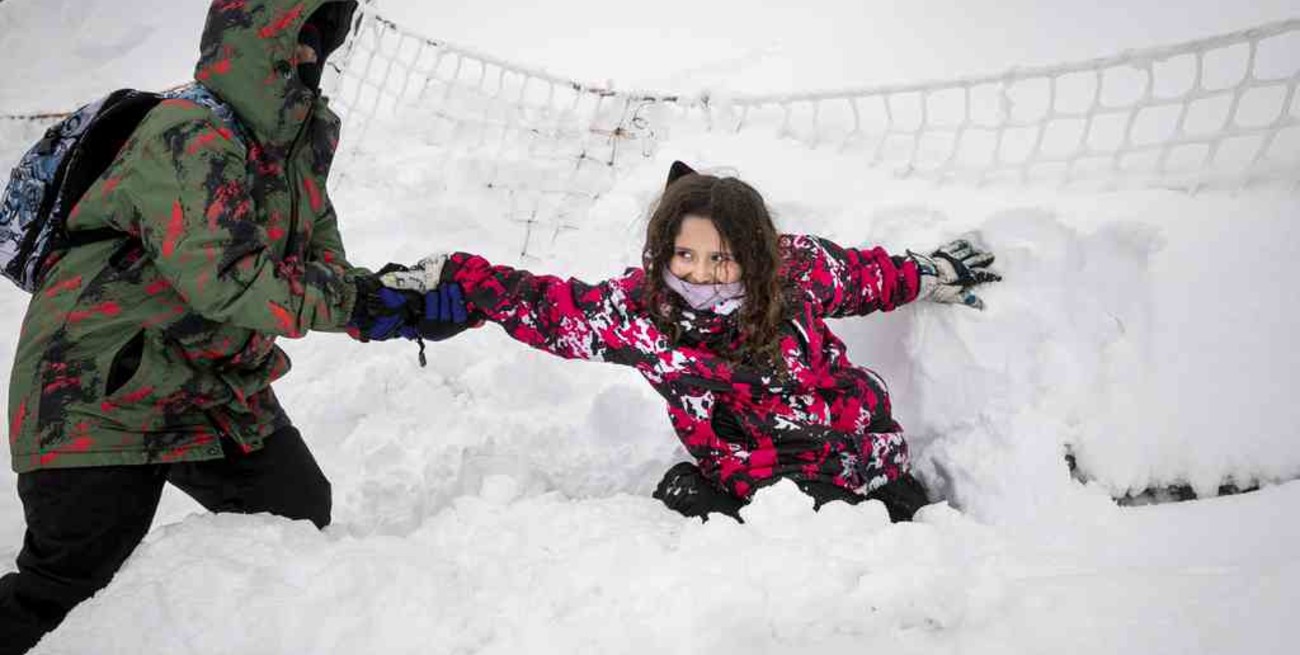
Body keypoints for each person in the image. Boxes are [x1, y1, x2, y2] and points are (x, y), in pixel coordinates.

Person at [0, 1, 466, 652]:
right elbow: (227, 277)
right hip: (99, 386)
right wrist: (355, 302)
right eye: (294, 38)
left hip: (213, 385)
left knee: (295, 512)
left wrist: (395, 302)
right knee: (64, 592)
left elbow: (318, 269)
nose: (307, 55)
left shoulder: (298, 145)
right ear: (251, 41)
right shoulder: (187, 132)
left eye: (317, 40)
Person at [382, 161, 1001, 524]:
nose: (700, 273)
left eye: (721, 258)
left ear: (754, 252)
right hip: (754, 483)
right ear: (662, 250)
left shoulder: (796, 274)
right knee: (686, 498)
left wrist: (930, 271)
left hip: (857, 458)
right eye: (685, 254)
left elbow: (867, 277)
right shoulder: (643, 317)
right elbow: (548, 309)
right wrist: (460, 280)